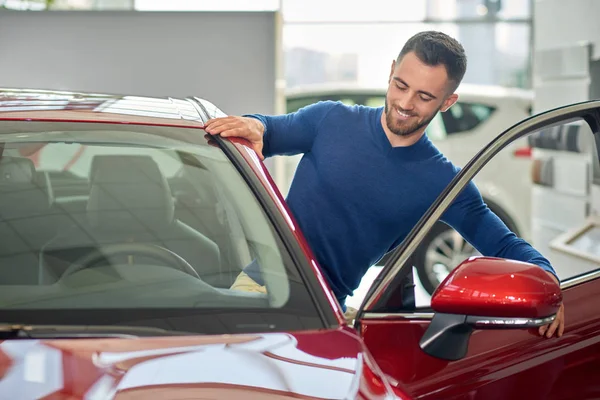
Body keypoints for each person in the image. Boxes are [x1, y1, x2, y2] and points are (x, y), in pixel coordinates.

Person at [205, 30, 565, 337]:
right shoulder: (331, 119)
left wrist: (550, 285)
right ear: (391, 72)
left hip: (319, 315)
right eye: (401, 85)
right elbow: (269, 129)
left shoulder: (442, 182)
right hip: (253, 287)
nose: (406, 104)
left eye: (424, 96)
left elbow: (503, 244)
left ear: (447, 102)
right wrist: (255, 124)